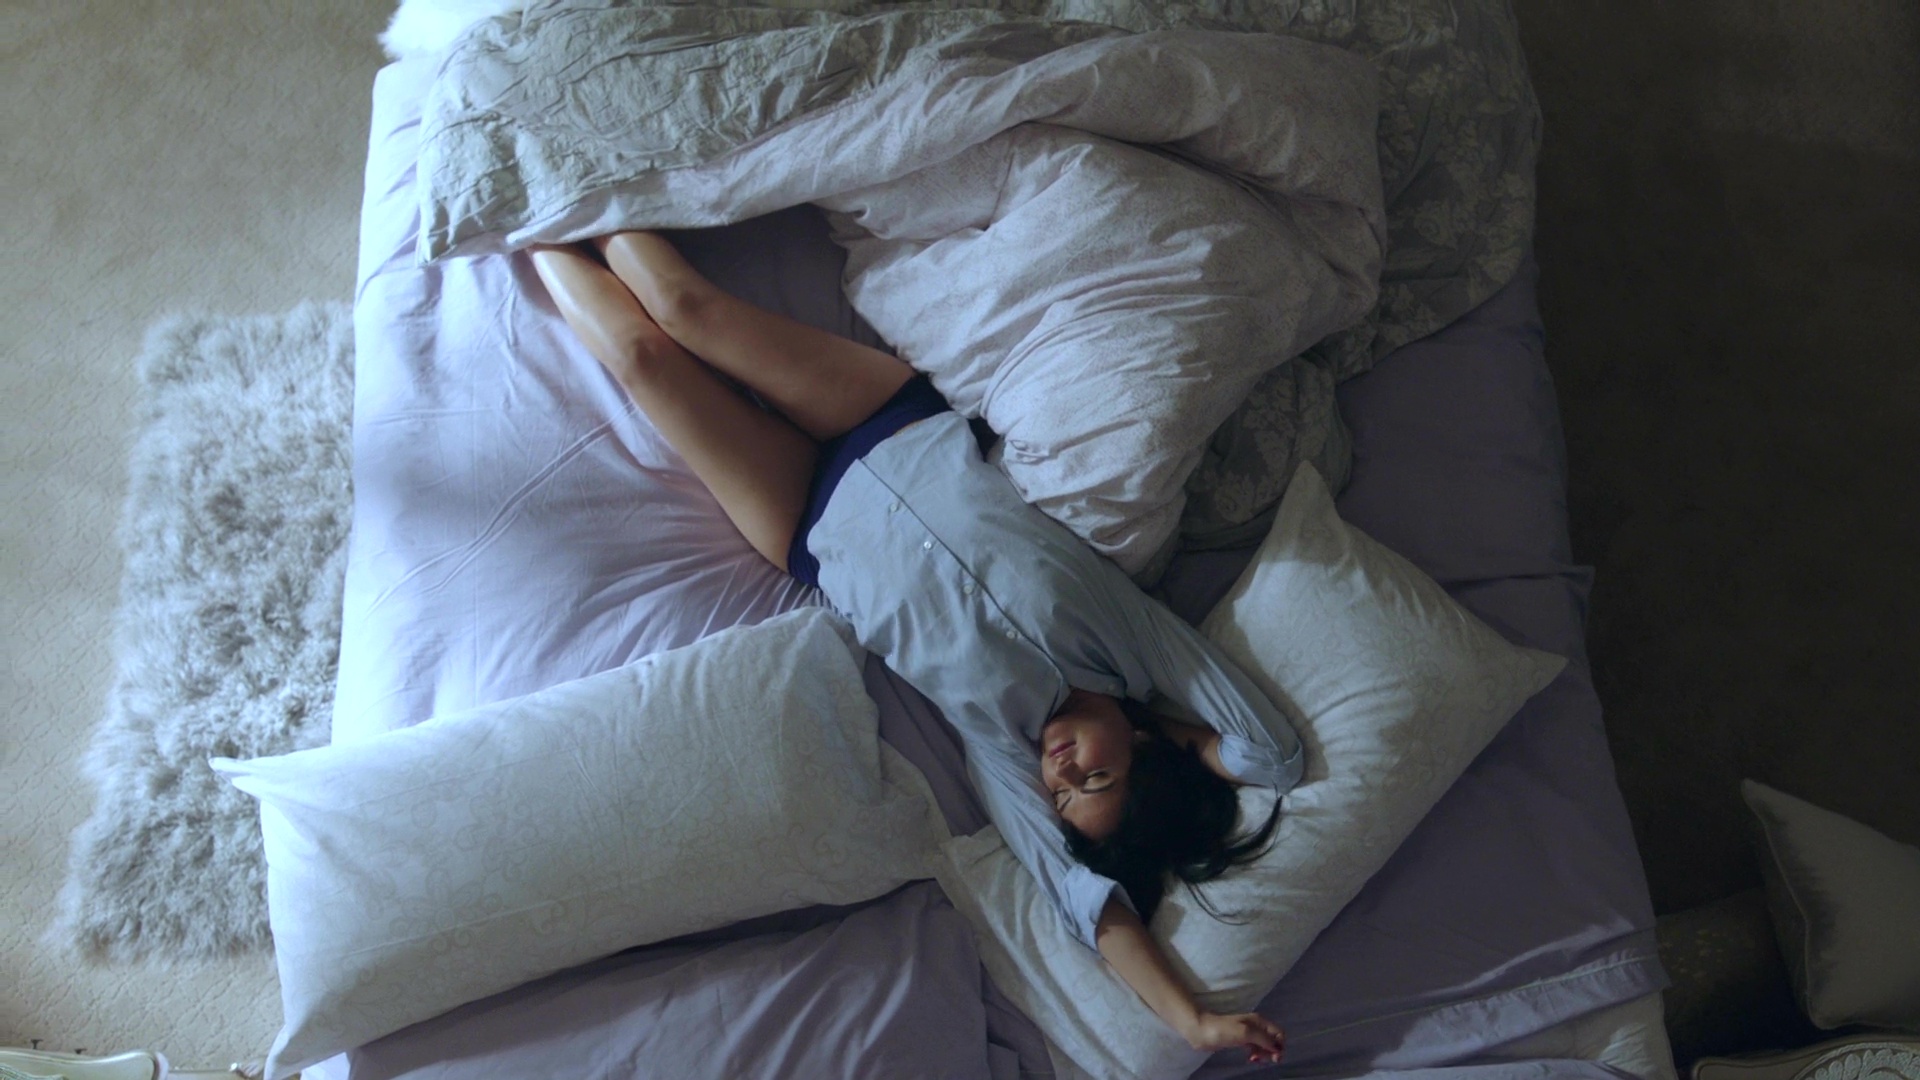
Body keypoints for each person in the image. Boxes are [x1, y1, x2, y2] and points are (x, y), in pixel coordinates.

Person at [528, 231, 1304, 1064]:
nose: (1062, 774)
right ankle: (576, 198)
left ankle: (525, 233)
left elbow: (1090, 906)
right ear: (1144, 747)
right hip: (889, 424)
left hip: (807, 528)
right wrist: (1174, 740)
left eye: (1063, 796)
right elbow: (1274, 755)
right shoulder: (1134, 643)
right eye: (1096, 777)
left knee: (644, 358)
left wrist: (1194, 1022)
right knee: (687, 310)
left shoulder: (1000, 747)